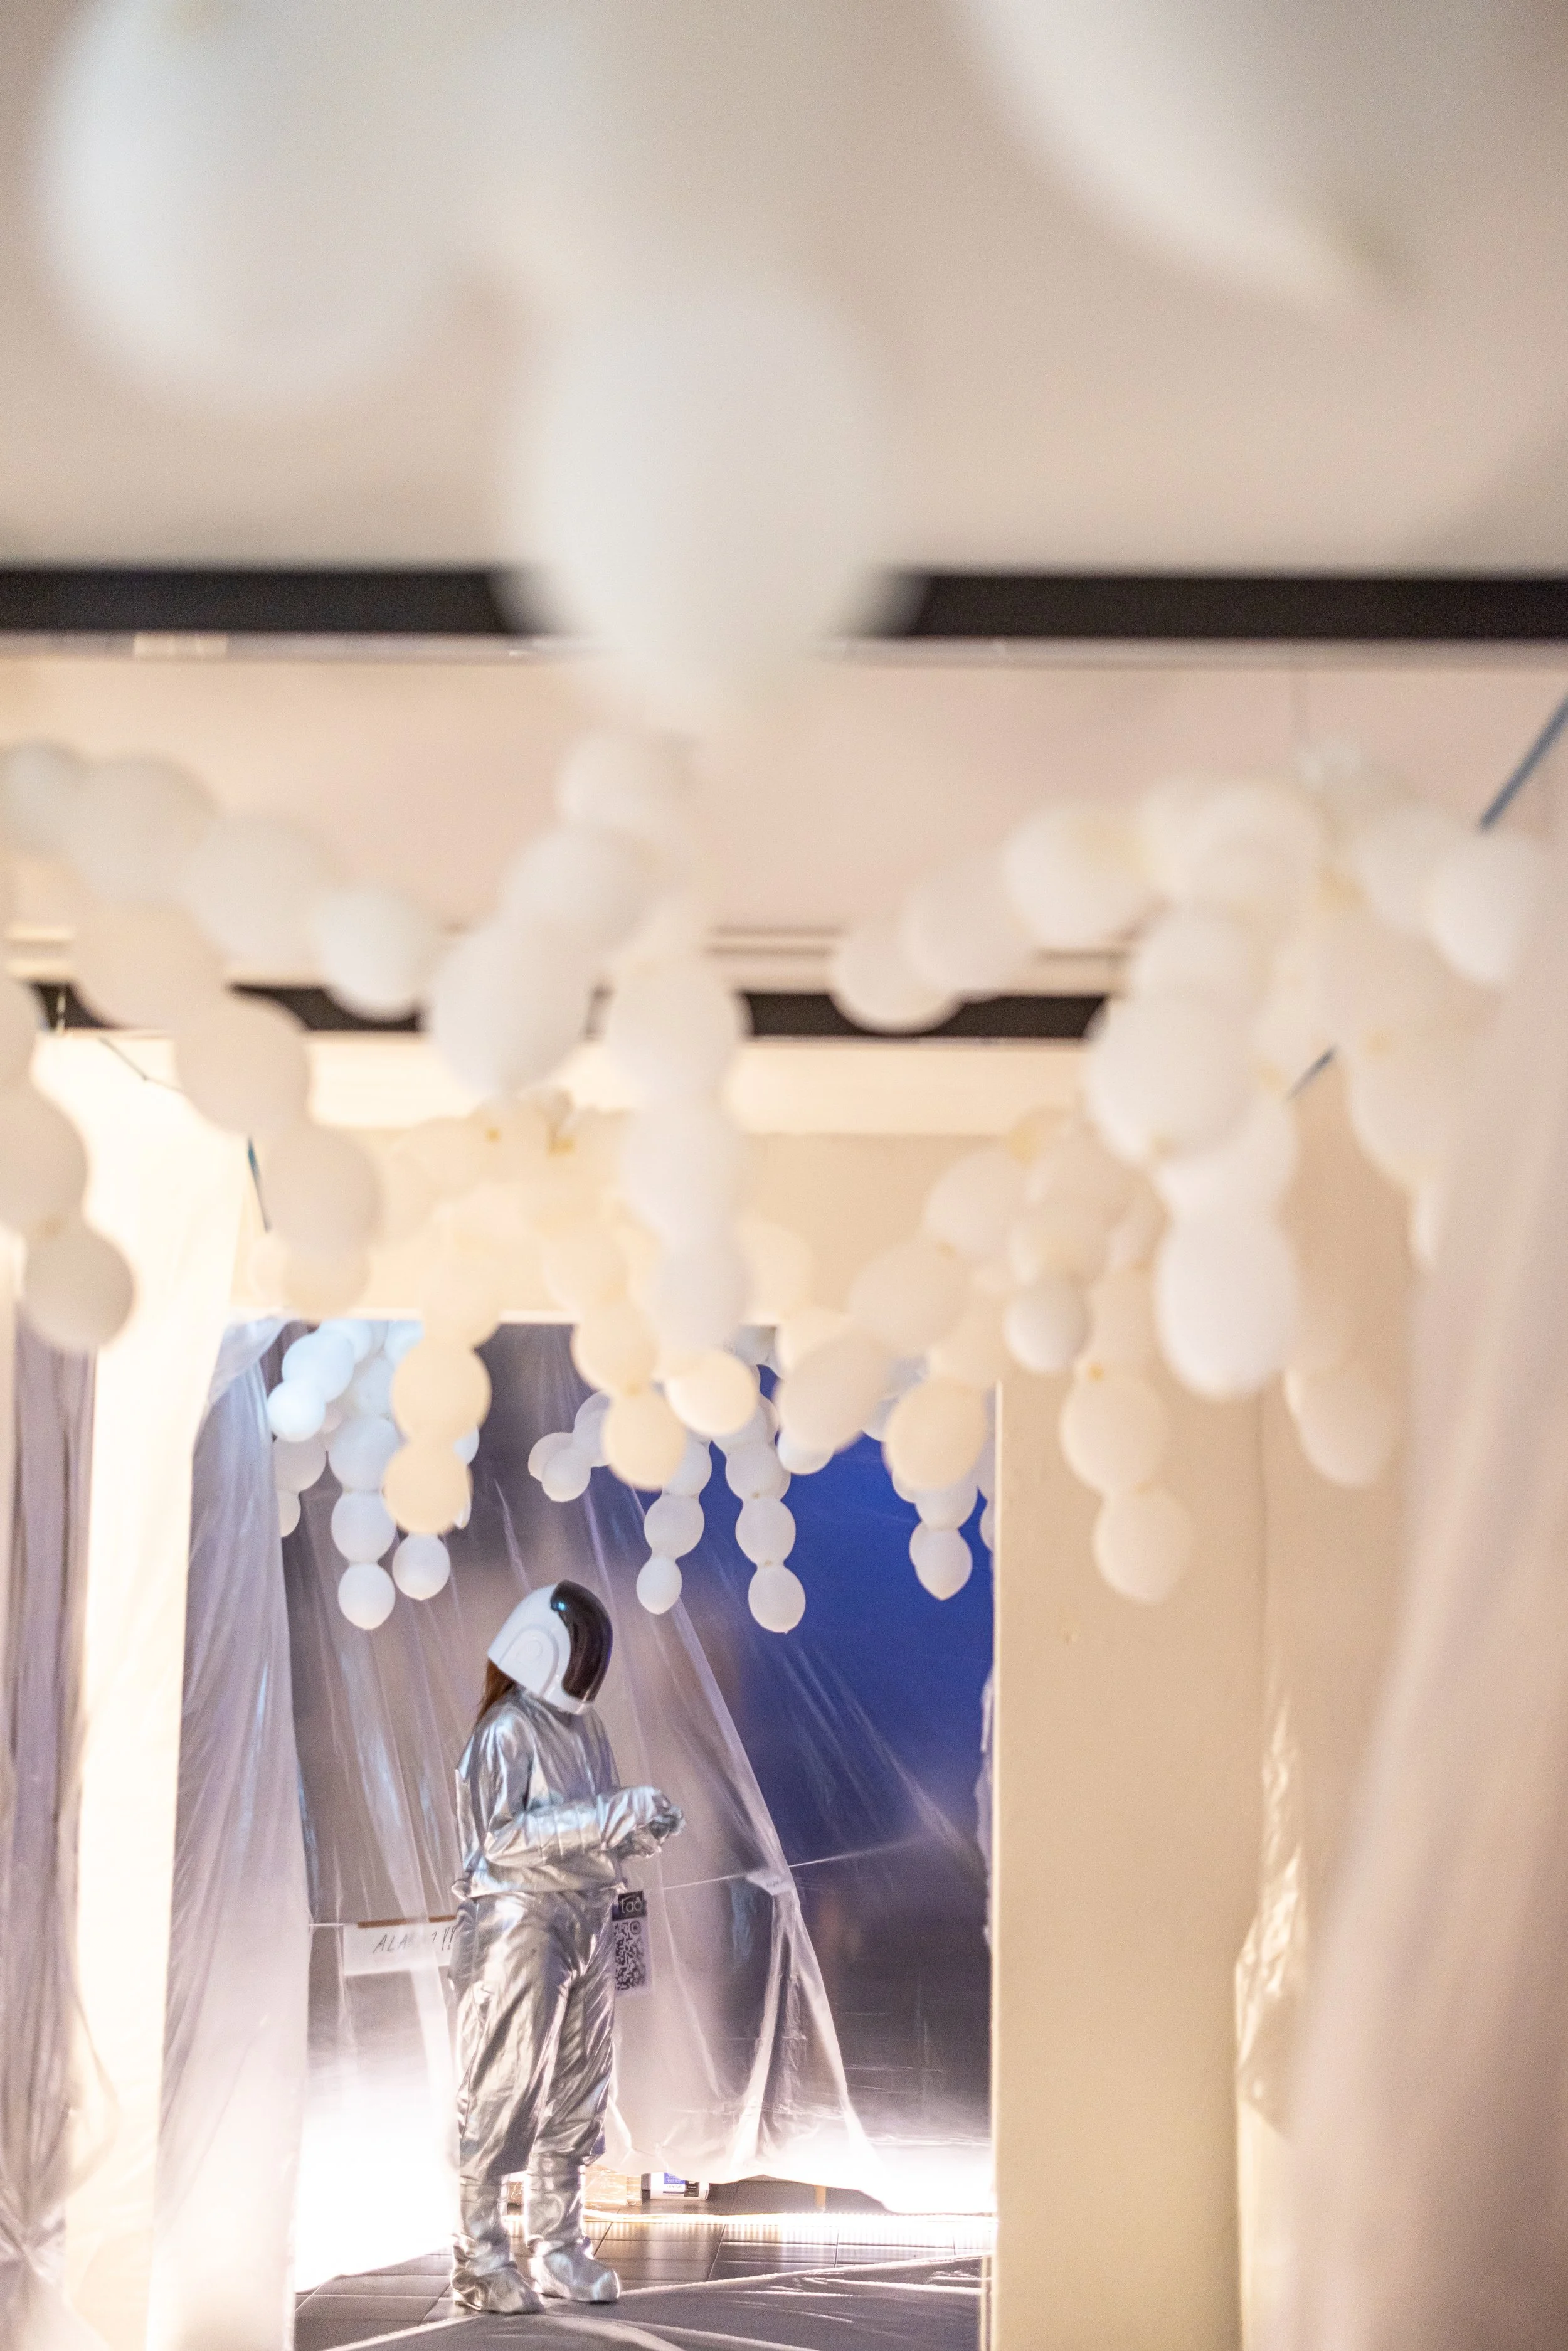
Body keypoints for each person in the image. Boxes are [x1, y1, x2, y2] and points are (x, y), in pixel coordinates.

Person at [450, 1579, 683, 2313]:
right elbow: (502, 1839)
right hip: (519, 1919)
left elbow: (588, 1827)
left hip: (588, 1914)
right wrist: (611, 1814)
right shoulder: (506, 1729)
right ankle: (480, 2257)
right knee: (505, 2081)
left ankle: (558, 2247)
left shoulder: (588, 1729)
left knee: (582, 2085)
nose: (587, 1663)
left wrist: (637, 1830)